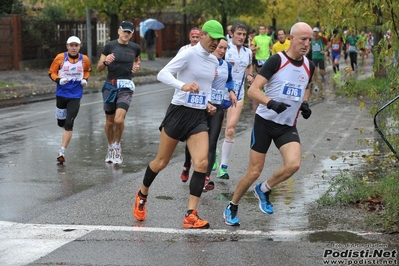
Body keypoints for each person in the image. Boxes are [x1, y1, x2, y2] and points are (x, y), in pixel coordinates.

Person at [132, 20, 226, 229]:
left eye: (219, 40)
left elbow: (206, 87)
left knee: (201, 163)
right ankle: (142, 194)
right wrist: (182, 85)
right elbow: (162, 74)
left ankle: (191, 214)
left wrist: (208, 102)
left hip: (198, 117)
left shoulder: (213, 61)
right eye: (213, 38)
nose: (215, 43)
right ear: (202, 34)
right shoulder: (188, 53)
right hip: (178, 113)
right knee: (161, 162)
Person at [223, 22, 315, 226]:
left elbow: (306, 86)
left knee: (294, 164)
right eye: (303, 39)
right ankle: (232, 204)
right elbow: (253, 90)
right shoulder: (276, 61)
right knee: (254, 171)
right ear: (291, 37)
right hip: (265, 122)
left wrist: (305, 103)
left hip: (287, 125)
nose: (306, 44)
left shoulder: (310, 65)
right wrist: (271, 103)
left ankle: (263, 189)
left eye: (309, 40)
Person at [180, 39, 237, 191]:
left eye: (225, 48)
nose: (222, 51)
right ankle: (187, 164)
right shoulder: (204, 62)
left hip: (217, 106)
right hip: (201, 106)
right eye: (220, 47)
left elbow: (229, 81)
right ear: (214, 46)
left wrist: (231, 91)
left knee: (212, 143)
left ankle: (206, 178)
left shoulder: (226, 65)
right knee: (192, 139)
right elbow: (193, 79)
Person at [97, 21, 141, 165]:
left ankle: (117, 145)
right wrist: (106, 62)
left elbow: (137, 61)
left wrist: (136, 67)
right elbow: (98, 68)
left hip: (126, 87)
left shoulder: (135, 48)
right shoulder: (110, 46)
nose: (126, 34)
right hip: (110, 86)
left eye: (129, 32)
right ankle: (110, 147)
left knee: (118, 120)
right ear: (118, 31)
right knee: (109, 122)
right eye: (124, 31)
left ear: (132, 34)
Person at [217, 23, 254, 180]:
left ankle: (223, 167)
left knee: (230, 129)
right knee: (215, 130)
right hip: (219, 94)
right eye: (238, 33)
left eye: (244, 34)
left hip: (238, 95)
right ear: (231, 34)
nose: (241, 37)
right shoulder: (225, 49)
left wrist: (250, 76)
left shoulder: (248, 52)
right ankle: (213, 153)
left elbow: (249, 67)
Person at [49, 36, 91, 163]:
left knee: (69, 123)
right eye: (71, 45)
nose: (74, 48)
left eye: (76, 45)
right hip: (61, 94)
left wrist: (85, 80)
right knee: (61, 123)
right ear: (67, 46)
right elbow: (51, 72)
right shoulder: (60, 58)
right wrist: (59, 80)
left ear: (79, 47)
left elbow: (87, 71)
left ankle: (62, 151)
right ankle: (64, 126)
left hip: (75, 95)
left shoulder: (84, 59)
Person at [311, 27, 329, 92]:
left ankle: (323, 77)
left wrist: (324, 50)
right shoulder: (311, 39)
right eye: (314, 31)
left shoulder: (322, 38)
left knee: (321, 72)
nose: (315, 33)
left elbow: (329, 44)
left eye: (316, 32)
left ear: (318, 32)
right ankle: (316, 85)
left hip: (321, 57)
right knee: (314, 72)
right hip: (314, 57)